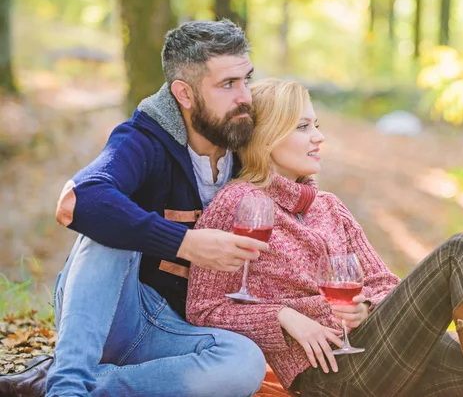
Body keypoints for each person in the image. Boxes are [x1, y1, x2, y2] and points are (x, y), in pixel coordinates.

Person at [186, 78, 463, 397]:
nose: (319, 137)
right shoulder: (237, 202)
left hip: (377, 352)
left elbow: (384, 286)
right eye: (304, 126)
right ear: (269, 135)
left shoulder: (330, 207)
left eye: (318, 125)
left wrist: (365, 308)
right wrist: (283, 317)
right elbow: (202, 309)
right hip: (328, 373)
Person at [0, 20, 269, 397]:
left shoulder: (247, 148)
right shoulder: (143, 138)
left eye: (246, 80)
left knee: (245, 363)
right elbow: (78, 200)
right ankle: (68, 387)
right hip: (115, 312)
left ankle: (82, 386)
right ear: (185, 94)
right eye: (228, 85)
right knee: (108, 224)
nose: (245, 97)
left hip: (175, 333)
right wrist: (185, 243)